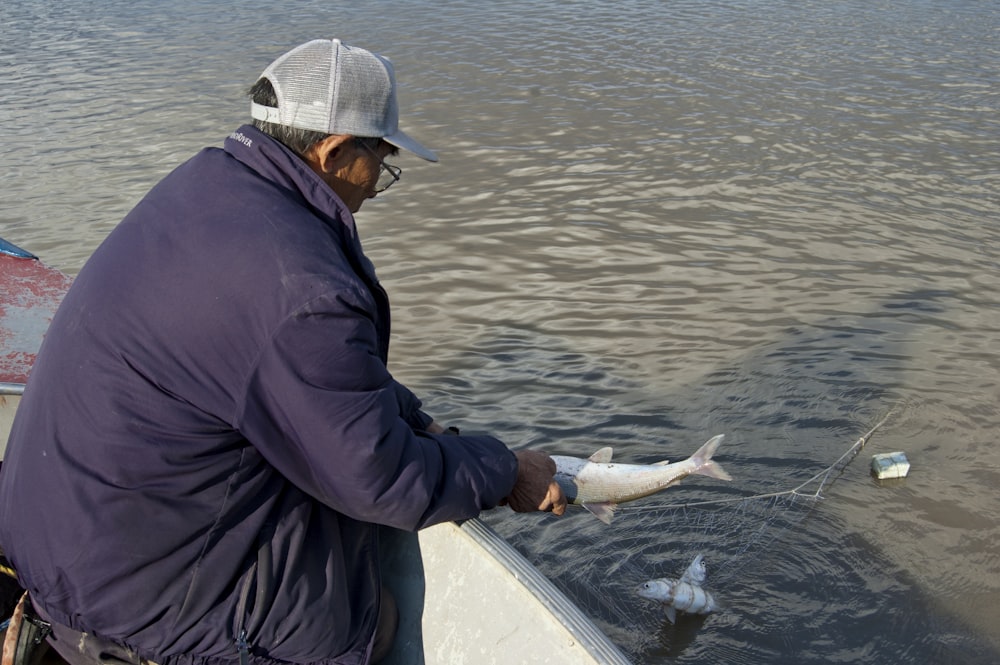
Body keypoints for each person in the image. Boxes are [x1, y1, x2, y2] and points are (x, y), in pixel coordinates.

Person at [0, 38, 566, 665]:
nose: (379, 183)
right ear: (332, 152)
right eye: (381, 157)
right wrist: (504, 470)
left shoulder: (207, 184)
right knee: (355, 621)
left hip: (57, 545)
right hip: (128, 606)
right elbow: (384, 482)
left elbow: (307, 371)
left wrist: (412, 417)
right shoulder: (303, 286)